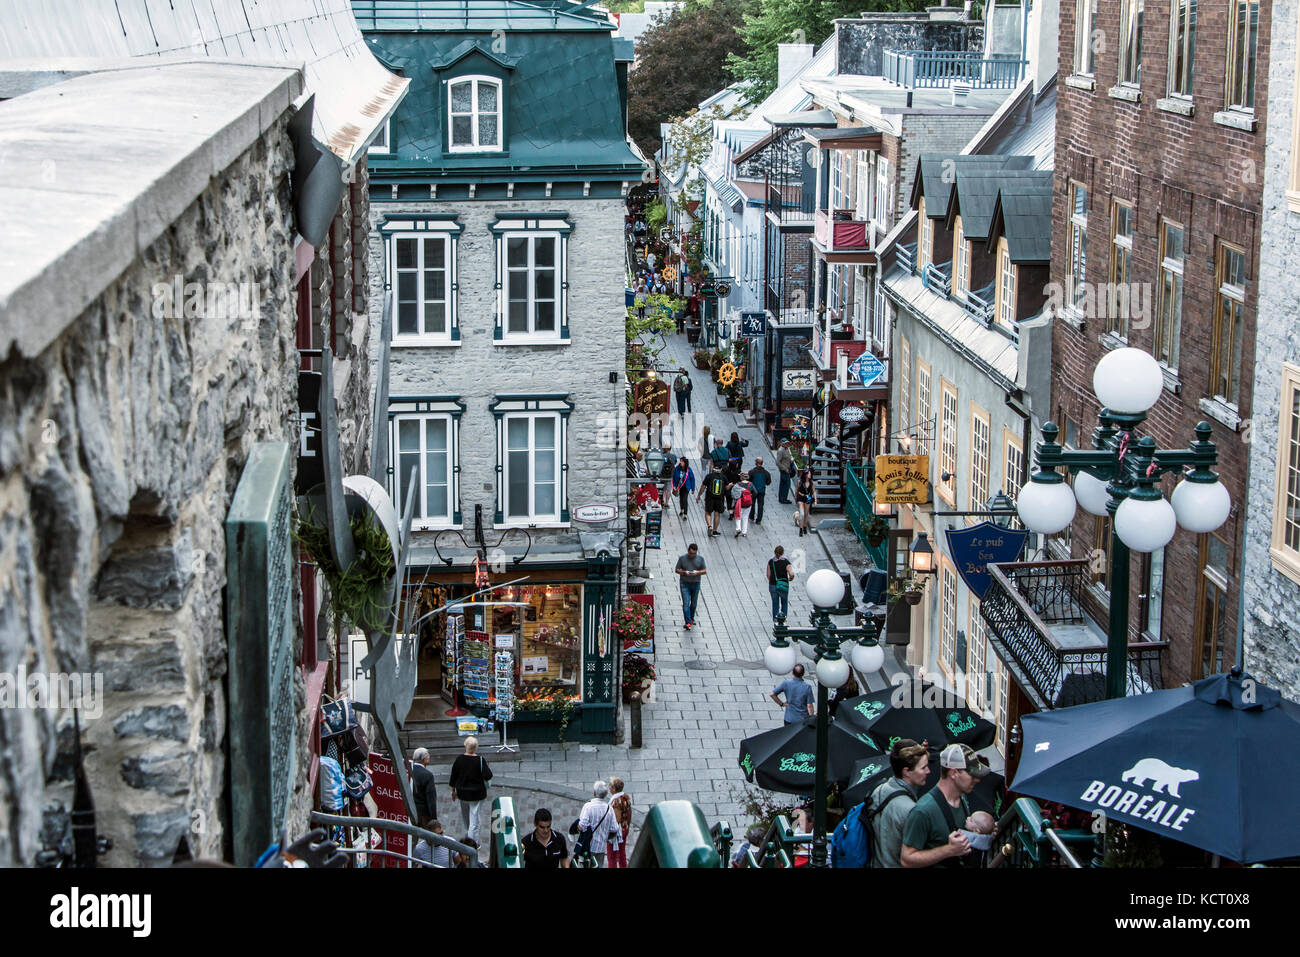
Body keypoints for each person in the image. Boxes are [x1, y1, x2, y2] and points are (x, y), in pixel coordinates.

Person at [900, 743, 988, 868]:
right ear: (954, 773)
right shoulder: (923, 810)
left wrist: (985, 831)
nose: (977, 779)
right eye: (972, 774)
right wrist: (949, 850)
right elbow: (907, 859)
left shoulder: (962, 798)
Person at [868, 739, 929, 869]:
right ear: (906, 771)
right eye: (923, 767)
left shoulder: (879, 791)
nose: (928, 771)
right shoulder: (910, 810)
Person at [449, 737, 492, 846]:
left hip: (462, 793)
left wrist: (453, 791)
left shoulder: (459, 759)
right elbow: (488, 775)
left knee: (466, 817)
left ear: (465, 745)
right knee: (475, 820)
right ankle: (472, 844)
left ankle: (469, 836)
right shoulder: (480, 760)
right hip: (476, 794)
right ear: (476, 747)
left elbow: (453, 776)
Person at [575, 781, 624, 868]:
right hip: (601, 847)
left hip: (588, 845)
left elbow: (582, 826)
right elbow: (614, 828)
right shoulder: (609, 809)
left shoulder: (588, 806)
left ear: (594, 793)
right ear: (605, 795)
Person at [675, 543, 706, 630]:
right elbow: (676, 570)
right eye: (691, 553)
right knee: (686, 603)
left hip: (696, 583)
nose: (692, 555)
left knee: (694, 604)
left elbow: (704, 571)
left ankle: (691, 618)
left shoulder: (700, 559)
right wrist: (684, 572)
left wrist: (697, 572)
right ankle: (688, 622)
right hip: (685, 583)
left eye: (694, 554)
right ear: (688, 551)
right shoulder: (682, 558)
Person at [696, 464, 727, 538]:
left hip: (710, 497)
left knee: (708, 512)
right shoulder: (723, 477)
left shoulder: (709, 476)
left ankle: (709, 526)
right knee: (717, 514)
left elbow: (703, 486)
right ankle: (715, 530)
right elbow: (726, 488)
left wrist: (699, 495)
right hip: (719, 498)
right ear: (720, 469)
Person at [608, 778, 632, 869]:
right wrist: (627, 825)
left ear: (614, 789)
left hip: (616, 832)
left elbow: (616, 819)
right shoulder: (626, 797)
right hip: (624, 828)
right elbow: (629, 813)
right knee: (622, 853)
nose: (609, 787)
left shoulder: (615, 801)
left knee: (612, 855)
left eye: (610, 785)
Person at [410, 747, 438, 823]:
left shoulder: (408, 771)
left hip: (408, 812)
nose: (429, 757)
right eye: (427, 755)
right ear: (423, 759)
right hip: (423, 815)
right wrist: (434, 819)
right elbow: (431, 799)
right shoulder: (427, 775)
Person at [767, 546, 794, 622]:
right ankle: (783, 618)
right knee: (784, 602)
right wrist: (790, 579)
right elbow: (791, 574)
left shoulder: (770, 562)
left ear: (774, 552)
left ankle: (775, 619)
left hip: (773, 585)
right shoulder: (786, 562)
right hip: (783, 585)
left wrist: (773, 581)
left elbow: (768, 575)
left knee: (775, 603)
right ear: (782, 553)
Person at [730, 472, 756, 537]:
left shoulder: (738, 484)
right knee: (745, 517)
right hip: (748, 503)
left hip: (740, 503)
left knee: (738, 515)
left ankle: (738, 529)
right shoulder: (751, 484)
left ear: (741, 477)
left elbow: (733, 493)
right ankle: (744, 532)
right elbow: (755, 492)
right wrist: (750, 497)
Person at [748, 458, 771, 524]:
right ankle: (759, 520)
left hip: (753, 491)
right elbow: (768, 482)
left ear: (756, 463)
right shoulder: (766, 473)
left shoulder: (752, 472)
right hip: (761, 491)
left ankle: (751, 516)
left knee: (752, 503)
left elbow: (749, 480)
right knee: (760, 505)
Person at [795, 468, 817, 537]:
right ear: (805, 475)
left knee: (806, 514)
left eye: (810, 473)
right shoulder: (800, 482)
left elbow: (814, 491)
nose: (810, 475)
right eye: (808, 473)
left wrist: (815, 500)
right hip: (801, 496)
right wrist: (796, 498)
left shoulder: (811, 482)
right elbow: (797, 490)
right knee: (802, 513)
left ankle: (805, 526)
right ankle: (800, 529)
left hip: (808, 497)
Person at [776, 440, 795, 504]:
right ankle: (783, 499)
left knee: (784, 484)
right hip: (784, 470)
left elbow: (787, 457)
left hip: (787, 469)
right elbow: (777, 462)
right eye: (785, 443)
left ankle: (782, 498)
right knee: (786, 484)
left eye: (787, 443)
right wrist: (784, 468)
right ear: (782, 443)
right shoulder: (781, 451)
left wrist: (791, 460)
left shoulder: (786, 449)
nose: (787, 444)